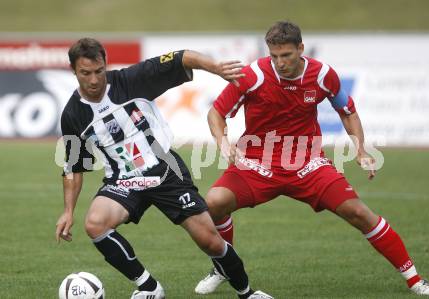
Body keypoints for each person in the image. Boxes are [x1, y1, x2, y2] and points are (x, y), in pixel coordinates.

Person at [194, 21, 429, 297]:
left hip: (307, 163)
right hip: (256, 162)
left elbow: (347, 111)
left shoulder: (323, 75)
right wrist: (223, 143)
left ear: (301, 48)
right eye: (274, 56)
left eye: (286, 55)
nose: (280, 63)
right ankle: (223, 267)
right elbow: (215, 113)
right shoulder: (252, 76)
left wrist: (360, 149)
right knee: (213, 203)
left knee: (358, 212)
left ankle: (415, 280)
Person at [55, 38, 273, 299]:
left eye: (98, 71)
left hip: (165, 171)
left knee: (210, 241)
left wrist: (215, 67)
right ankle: (149, 288)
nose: (93, 80)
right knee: (95, 224)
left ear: (105, 64)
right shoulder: (72, 114)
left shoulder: (131, 80)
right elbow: (73, 167)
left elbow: (181, 57)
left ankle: (247, 293)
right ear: (73, 70)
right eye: (85, 73)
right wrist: (68, 211)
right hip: (123, 181)